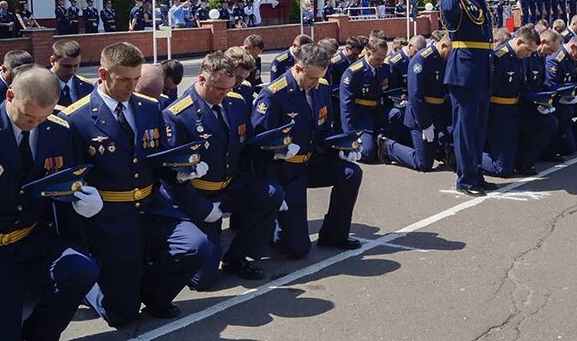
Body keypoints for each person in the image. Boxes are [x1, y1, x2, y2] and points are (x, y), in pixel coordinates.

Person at [61, 42, 213, 326]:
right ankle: (93, 290)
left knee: (197, 246)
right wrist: (80, 201)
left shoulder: (149, 108)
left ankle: (154, 296)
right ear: (104, 74)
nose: (131, 86)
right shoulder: (75, 118)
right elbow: (70, 175)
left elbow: (160, 157)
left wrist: (182, 171)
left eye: (136, 79)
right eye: (124, 80)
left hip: (152, 206)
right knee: (122, 317)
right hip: (109, 217)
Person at [0, 66, 102, 341]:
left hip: (31, 237)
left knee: (82, 269)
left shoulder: (58, 131)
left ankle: (40, 334)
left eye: (43, 117)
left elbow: (66, 180)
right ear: (9, 95)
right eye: (28, 115)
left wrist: (83, 199)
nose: (34, 124)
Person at [164, 52, 283, 288]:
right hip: (199, 195)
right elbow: (171, 178)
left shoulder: (236, 102)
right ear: (201, 79)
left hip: (230, 185)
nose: (224, 94)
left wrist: (275, 150)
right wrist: (203, 208)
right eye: (219, 88)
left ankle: (237, 256)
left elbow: (246, 144)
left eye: (229, 88)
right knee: (203, 280)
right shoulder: (177, 115)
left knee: (271, 193)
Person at [251, 43, 363, 258]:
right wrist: (271, 188)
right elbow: (257, 144)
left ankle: (333, 234)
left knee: (351, 173)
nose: (314, 83)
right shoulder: (273, 95)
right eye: (311, 78)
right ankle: (270, 228)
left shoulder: (321, 87)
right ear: (298, 67)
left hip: (312, 161)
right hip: (285, 171)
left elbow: (323, 130)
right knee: (297, 249)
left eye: (319, 77)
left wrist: (341, 148)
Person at [439, 0, 495, 196]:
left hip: (480, 69)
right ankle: (465, 179)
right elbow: (448, 13)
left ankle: (476, 173)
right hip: (464, 71)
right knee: (464, 129)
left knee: (478, 127)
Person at [482, 26, 552, 177]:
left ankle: (523, 162)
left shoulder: (519, 57)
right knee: (503, 170)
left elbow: (522, 85)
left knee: (549, 123)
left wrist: (540, 100)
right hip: (499, 113)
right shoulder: (499, 56)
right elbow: (487, 91)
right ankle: (465, 156)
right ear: (519, 42)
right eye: (528, 50)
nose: (529, 55)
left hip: (516, 108)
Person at [378, 33, 452, 172]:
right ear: (443, 46)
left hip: (437, 113)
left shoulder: (443, 58)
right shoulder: (421, 59)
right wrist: (425, 124)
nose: (451, 56)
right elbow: (416, 96)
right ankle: (387, 146)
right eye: (450, 52)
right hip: (420, 117)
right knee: (423, 164)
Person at [339, 38, 391, 163]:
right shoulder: (353, 73)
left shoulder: (384, 67)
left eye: (383, 58)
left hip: (378, 112)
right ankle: (380, 144)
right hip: (362, 116)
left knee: (398, 114)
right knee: (366, 152)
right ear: (368, 54)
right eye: (378, 59)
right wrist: (350, 137)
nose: (381, 62)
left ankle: (382, 139)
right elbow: (346, 107)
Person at [49, 40, 94, 108]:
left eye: (76, 65)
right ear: (52, 61)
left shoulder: (87, 87)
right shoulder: (40, 87)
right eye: (66, 66)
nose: (72, 71)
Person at [224, 46, 256, 111]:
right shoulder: (214, 91)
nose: (240, 83)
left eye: (245, 78)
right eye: (238, 77)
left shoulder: (246, 89)